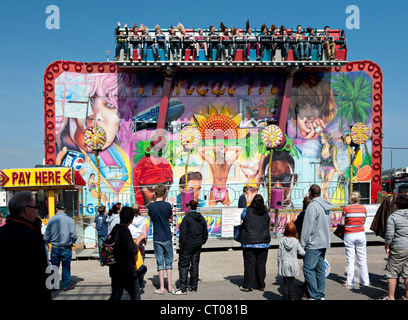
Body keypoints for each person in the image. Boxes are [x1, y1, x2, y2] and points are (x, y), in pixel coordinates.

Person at [0, 191, 51, 300]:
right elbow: (40, 274)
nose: (36, 210)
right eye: (35, 207)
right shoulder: (33, 237)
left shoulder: (2, 232)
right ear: (26, 210)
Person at [300, 184, 332, 300]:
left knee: (307, 268)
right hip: (324, 240)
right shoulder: (326, 206)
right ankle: (320, 294)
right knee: (319, 269)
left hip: (314, 242)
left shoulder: (312, 207)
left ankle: (314, 295)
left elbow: (307, 227)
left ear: (310, 193)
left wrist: (303, 244)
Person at [109, 206, 146, 300]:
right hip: (127, 271)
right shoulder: (125, 231)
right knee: (136, 296)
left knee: (116, 296)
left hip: (115, 269)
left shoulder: (115, 229)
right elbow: (132, 250)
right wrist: (139, 239)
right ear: (131, 219)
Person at [173, 200, 208, 295]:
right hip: (197, 244)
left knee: (183, 266)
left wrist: (181, 245)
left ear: (189, 207)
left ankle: (183, 288)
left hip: (188, 245)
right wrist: (202, 241)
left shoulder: (187, 218)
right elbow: (205, 232)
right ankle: (193, 286)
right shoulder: (201, 218)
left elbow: (182, 234)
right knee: (195, 265)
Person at [239, 194, 271, 292]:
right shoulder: (266, 213)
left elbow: (242, 217)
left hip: (249, 242)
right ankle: (260, 284)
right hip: (263, 242)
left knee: (249, 263)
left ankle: (247, 285)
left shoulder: (247, 211)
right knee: (261, 264)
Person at [44, 202, 78, 291]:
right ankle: (66, 285)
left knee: (54, 266)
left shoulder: (51, 219)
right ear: (65, 209)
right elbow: (74, 235)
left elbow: (47, 234)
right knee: (66, 266)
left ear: (56, 209)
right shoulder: (69, 220)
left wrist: (48, 241)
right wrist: (72, 242)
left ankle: (53, 285)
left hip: (55, 247)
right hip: (66, 247)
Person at [340, 191, 370, 288]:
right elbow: (363, 221)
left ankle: (350, 282)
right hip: (360, 234)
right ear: (359, 199)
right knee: (362, 258)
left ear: (351, 199)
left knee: (350, 258)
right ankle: (365, 281)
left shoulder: (346, 209)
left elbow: (342, 223)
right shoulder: (363, 208)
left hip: (349, 234)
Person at [148, 184, 174, 294]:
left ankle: (161, 288)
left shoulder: (151, 206)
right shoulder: (167, 205)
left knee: (159, 262)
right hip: (167, 236)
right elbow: (171, 219)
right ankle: (170, 286)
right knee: (169, 261)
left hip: (157, 236)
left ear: (155, 193)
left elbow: (151, 218)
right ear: (164, 193)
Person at [383, 193, 408, 300]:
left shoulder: (393, 217)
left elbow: (389, 235)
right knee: (407, 273)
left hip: (399, 246)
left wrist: (387, 247)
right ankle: (406, 297)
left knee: (392, 272)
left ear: (397, 204)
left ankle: (391, 297)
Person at [278, 222, 305, 300]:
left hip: (284, 263)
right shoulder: (296, 241)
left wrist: (279, 263)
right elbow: (302, 253)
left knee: (285, 283)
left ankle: (285, 297)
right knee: (291, 282)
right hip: (293, 263)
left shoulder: (282, 240)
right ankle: (291, 297)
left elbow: (279, 254)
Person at [129, 203, 149, 293]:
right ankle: (140, 284)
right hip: (140, 243)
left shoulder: (129, 220)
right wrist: (145, 242)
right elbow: (144, 234)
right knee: (140, 264)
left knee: (131, 264)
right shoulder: (143, 220)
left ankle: (132, 284)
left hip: (131, 243)